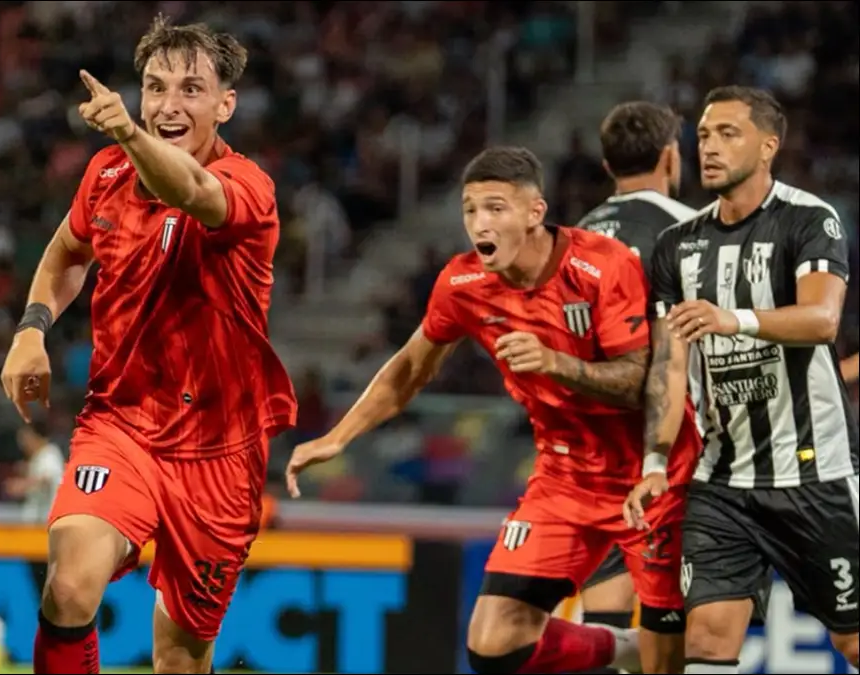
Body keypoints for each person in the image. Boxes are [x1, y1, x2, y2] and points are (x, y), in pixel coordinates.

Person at [286, 146, 701, 674]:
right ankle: (625, 650)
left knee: (682, 653)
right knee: (493, 641)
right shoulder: (462, 284)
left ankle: (658, 651)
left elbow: (644, 382)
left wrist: (555, 363)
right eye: (470, 210)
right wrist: (339, 437)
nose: (479, 223)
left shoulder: (602, 266)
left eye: (496, 208)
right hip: (565, 479)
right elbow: (411, 367)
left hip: (654, 476)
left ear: (534, 212)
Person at [0, 15, 296, 675]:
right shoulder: (105, 173)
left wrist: (129, 134)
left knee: (181, 654)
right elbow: (66, 253)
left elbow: (187, 189)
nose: (168, 104)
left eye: (191, 89)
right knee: (70, 581)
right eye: (154, 87)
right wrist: (31, 328)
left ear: (226, 105)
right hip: (121, 424)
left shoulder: (250, 187)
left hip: (220, 451)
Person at [626, 85, 859, 673]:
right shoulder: (676, 246)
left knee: (853, 641)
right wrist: (654, 464)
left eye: (728, 133)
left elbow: (823, 319)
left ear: (768, 146)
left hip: (817, 474)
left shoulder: (810, 219)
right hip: (723, 480)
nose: (708, 146)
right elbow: (668, 367)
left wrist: (734, 319)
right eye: (703, 134)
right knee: (705, 640)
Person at [573, 101, 700, 656]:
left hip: (592, 445)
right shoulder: (688, 230)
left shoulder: (571, 241)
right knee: (678, 615)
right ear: (671, 159)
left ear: (606, 165)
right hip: (670, 443)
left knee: (604, 613)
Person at [5, 417, 66, 524]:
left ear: (35, 437)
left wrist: (23, 485)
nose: (23, 444)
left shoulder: (50, 454)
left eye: (25, 438)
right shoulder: (39, 457)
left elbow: (47, 477)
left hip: (45, 523)